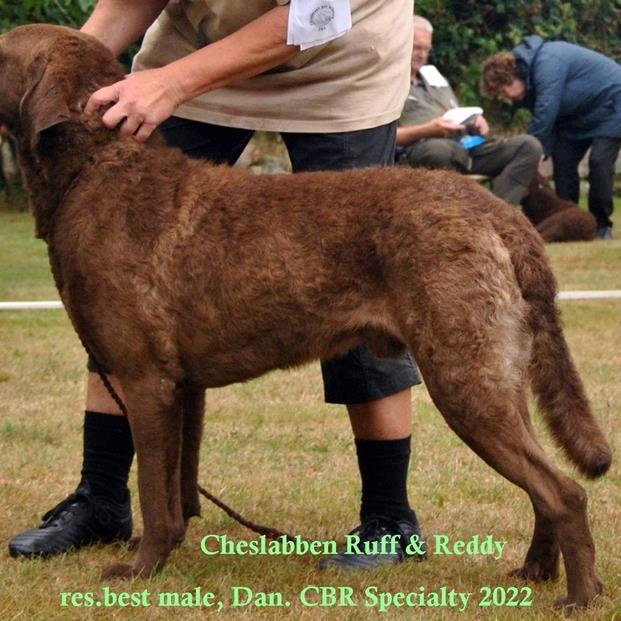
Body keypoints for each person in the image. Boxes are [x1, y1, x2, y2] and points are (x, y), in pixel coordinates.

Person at [9, 0, 425, 570]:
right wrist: (44, 78)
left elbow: (317, 15)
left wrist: (173, 83)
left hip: (340, 65)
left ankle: (389, 519)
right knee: (119, 275)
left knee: (356, 274)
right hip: (195, 50)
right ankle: (101, 496)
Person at [482, 35, 621, 240]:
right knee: (563, 162)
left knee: (599, 162)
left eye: (504, 90)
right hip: (576, 117)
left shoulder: (547, 61)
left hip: (612, 104)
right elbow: (549, 118)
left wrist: (531, 147)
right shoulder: (529, 84)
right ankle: (569, 217)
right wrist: (544, 148)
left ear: (512, 76)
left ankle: (601, 225)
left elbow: (546, 109)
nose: (507, 97)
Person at [398, 16, 542, 205]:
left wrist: (474, 121)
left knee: (529, 146)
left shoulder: (434, 77)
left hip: (468, 147)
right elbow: (387, 136)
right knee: (439, 150)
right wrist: (427, 130)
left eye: (427, 49)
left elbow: (456, 112)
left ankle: (494, 213)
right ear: (402, 43)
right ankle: (461, 214)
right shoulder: (390, 82)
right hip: (427, 150)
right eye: (417, 48)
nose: (422, 55)